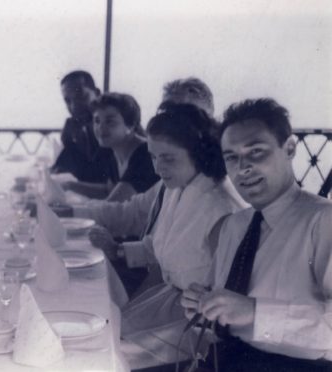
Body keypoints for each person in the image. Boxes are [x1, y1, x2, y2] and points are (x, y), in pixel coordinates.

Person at [72, 104, 245, 369]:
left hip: (198, 322)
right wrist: (119, 250)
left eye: (168, 158)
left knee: (105, 352)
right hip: (166, 299)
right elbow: (162, 245)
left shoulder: (221, 208)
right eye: (153, 157)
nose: (157, 168)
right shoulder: (177, 188)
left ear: (198, 154)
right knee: (93, 330)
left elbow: (230, 294)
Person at [180, 99, 332, 372]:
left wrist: (254, 312)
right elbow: (227, 308)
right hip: (226, 359)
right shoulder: (233, 226)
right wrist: (204, 306)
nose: (243, 168)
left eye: (256, 152)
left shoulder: (323, 220)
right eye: (231, 157)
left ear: (289, 148)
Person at [61, 92, 159, 201]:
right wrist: (69, 185)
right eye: (97, 121)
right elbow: (109, 190)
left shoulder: (144, 153)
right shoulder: (115, 151)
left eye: (110, 121)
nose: (101, 128)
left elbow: (113, 204)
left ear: (131, 125)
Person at [51, 70, 118, 184]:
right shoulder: (78, 128)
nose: (74, 106)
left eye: (80, 97)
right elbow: (61, 170)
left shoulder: (118, 124)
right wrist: (68, 143)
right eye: (68, 101)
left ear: (97, 93)